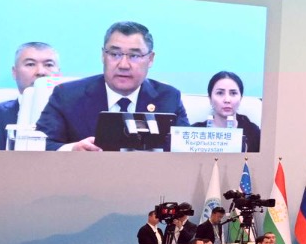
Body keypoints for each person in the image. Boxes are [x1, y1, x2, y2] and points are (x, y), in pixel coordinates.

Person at [35, 21, 190, 149]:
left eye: (134, 56)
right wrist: (72, 149)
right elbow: (39, 145)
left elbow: (186, 149)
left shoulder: (168, 98)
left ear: (150, 59)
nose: (123, 65)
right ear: (103, 56)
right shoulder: (67, 96)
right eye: (115, 54)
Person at [0, 40, 57, 148]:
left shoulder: (73, 113)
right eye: (30, 64)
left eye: (48, 65)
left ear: (59, 73)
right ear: (14, 72)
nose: (41, 72)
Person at [201, 71, 261, 152]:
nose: (227, 100)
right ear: (210, 98)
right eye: (220, 93)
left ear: (241, 98)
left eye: (233, 93)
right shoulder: (195, 131)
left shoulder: (253, 133)